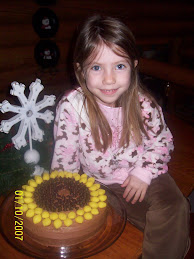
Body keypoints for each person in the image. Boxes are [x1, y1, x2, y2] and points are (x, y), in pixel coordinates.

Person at [51, 14, 190, 259]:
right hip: (97, 183)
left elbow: (162, 143)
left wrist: (144, 172)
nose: (109, 79)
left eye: (119, 66)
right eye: (96, 67)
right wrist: (65, 192)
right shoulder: (71, 107)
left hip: (144, 173)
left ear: (134, 65)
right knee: (102, 223)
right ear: (80, 70)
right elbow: (65, 158)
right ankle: (171, 238)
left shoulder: (145, 105)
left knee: (175, 206)